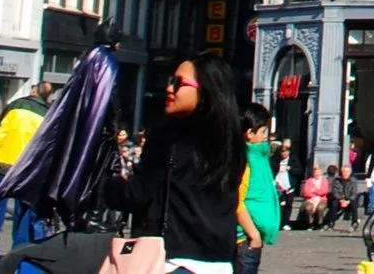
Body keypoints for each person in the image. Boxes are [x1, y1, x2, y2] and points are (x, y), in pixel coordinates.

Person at [105, 56, 246, 274]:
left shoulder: (168, 138)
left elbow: (136, 194)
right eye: (171, 81)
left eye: (178, 83)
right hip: (221, 264)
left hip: (174, 261)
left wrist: (108, 185)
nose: (169, 88)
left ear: (205, 92)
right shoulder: (232, 142)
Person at [0, 79, 51, 259]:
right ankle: (17, 251)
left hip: (3, 162)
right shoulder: (47, 113)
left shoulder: (14, 106)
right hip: (27, 168)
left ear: (34, 90)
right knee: (23, 210)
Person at [236, 103, 280, 274]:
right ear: (249, 134)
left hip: (249, 238)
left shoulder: (259, 156)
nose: (265, 137)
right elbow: (237, 201)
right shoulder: (246, 160)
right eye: (263, 132)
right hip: (244, 238)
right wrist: (253, 235)